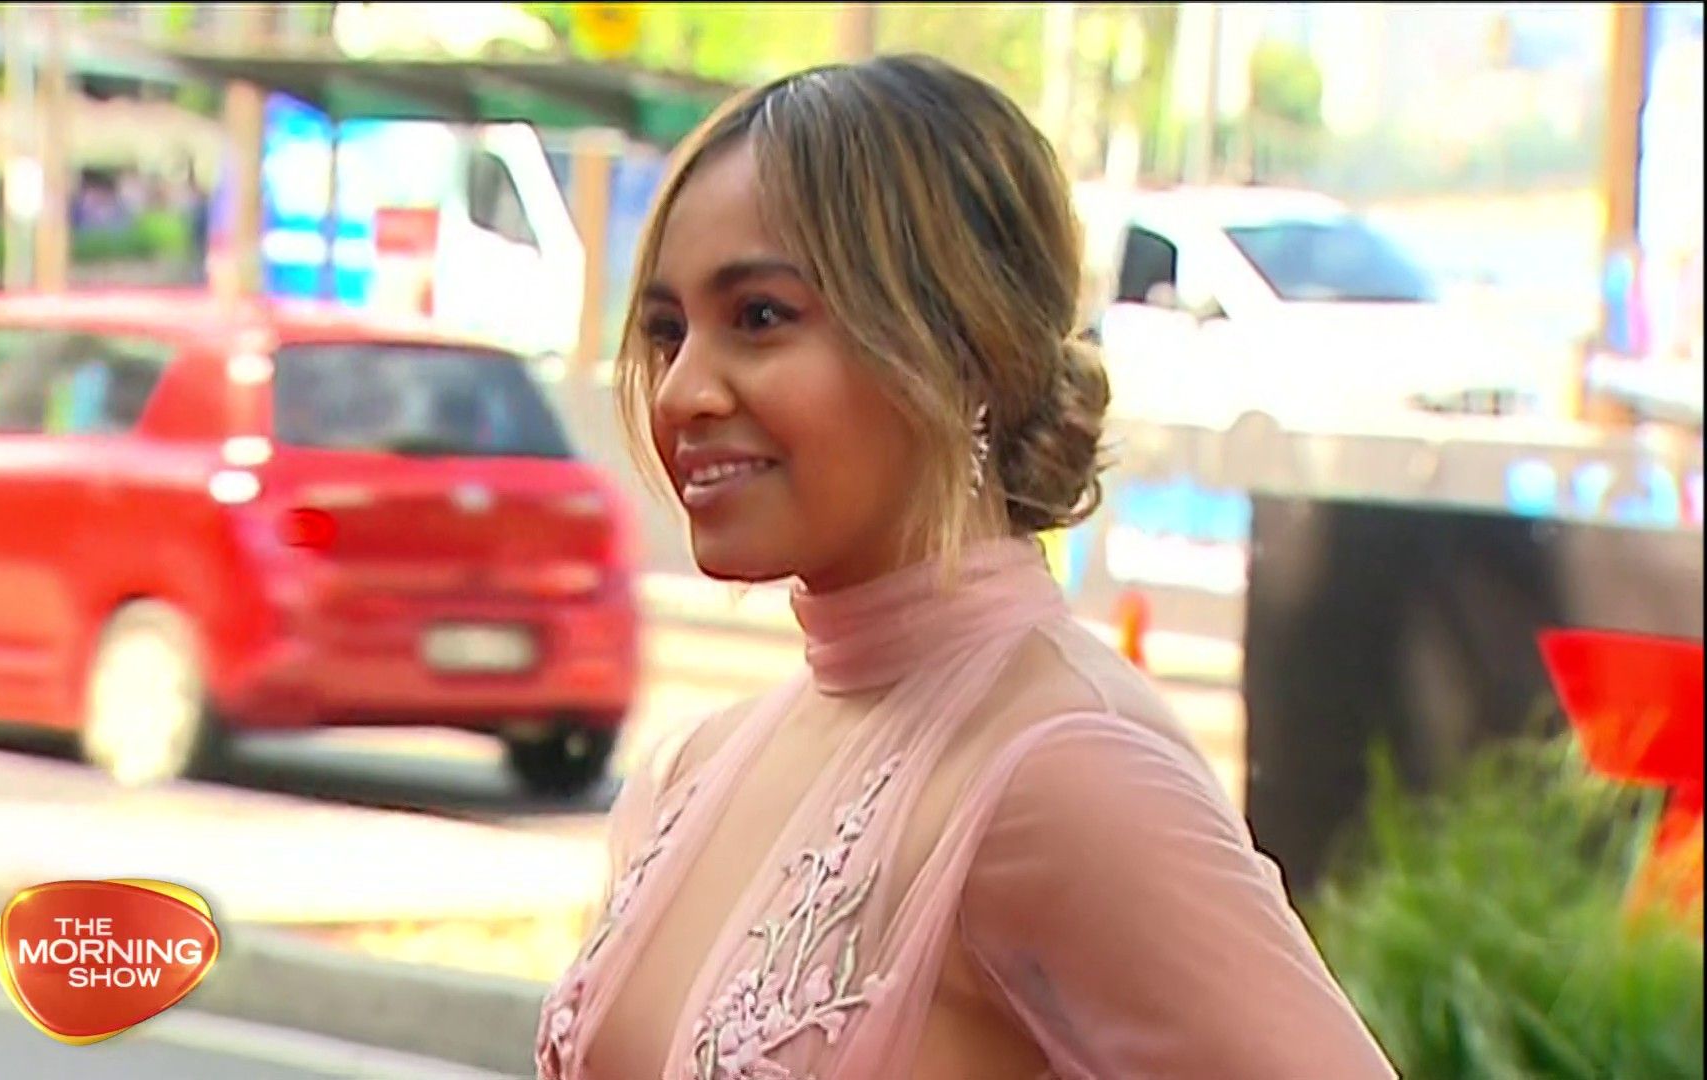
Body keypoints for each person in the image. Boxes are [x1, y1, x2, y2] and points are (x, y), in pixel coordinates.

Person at [536, 55, 1397, 1080]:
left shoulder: (1062, 772)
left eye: (760, 317)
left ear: (966, 350)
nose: (683, 392)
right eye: (666, 332)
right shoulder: (690, 773)